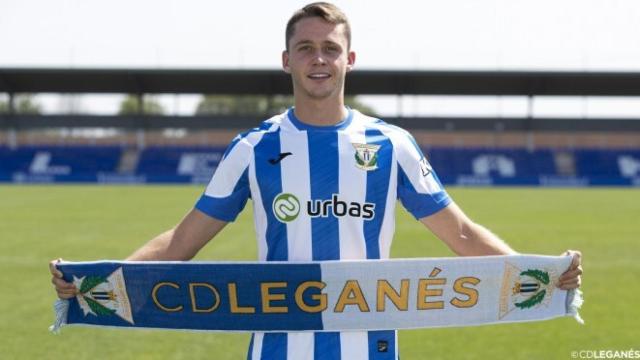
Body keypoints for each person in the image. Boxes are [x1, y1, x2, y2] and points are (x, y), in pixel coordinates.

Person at [50, 2, 583, 359]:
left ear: (350, 60)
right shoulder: (253, 148)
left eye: (330, 48)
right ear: (287, 61)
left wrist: (538, 274)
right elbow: (179, 243)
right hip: (277, 348)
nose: (319, 59)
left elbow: (462, 235)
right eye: (306, 48)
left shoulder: (391, 145)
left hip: (369, 347)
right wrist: (98, 283)